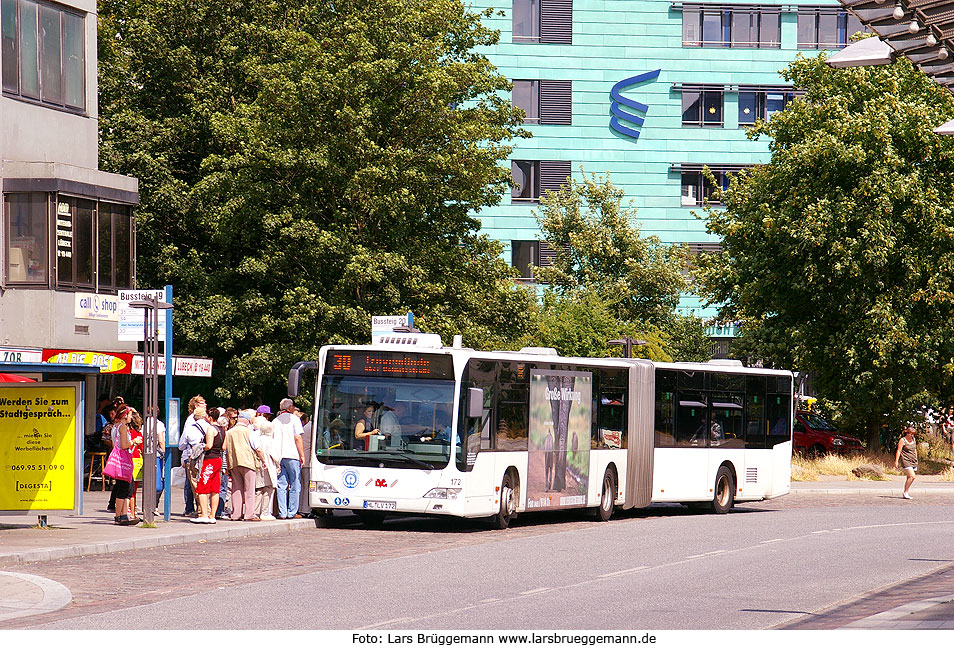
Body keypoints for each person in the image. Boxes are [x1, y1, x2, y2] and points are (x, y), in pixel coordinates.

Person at [273, 398, 305, 519]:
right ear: (290, 407)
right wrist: (302, 455)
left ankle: (282, 512)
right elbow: (298, 438)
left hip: (279, 456)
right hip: (292, 455)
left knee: (281, 485)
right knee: (295, 484)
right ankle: (292, 511)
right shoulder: (294, 419)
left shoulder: (275, 421)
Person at [193, 407, 225, 523]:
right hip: (218, 459)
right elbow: (223, 447)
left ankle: (204, 515)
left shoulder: (210, 429)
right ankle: (213, 515)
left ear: (210, 417)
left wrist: (201, 447)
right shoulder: (222, 429)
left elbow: (209, 445)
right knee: (215, 488)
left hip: (209, 460)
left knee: (203, 486)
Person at [225, 410, 259, 521]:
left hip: (234, 463)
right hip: (248, 462)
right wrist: (263, 460)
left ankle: (236, 514)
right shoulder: (249, 432)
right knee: (249, 489)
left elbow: (225, 449)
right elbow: (257, 447)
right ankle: (249, 514)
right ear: (247, 421)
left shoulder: (229, 432)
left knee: (236, 489)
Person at [108, 405, 138, 525]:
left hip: (119, 460)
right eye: (130, 414)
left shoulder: (115, 427)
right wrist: (134, 442)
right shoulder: (123, 427)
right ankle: (120, 516)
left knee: (125, 487)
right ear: (125, 415)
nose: (131, 417)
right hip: (123, 460)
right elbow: (124, 445)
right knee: (124, 488)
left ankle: (124, 515)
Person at [177, 395, 207, 516]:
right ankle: (191, 507)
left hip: (192, 454)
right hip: (192, 455)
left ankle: (194, 507)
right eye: (202, 403)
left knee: (192, 482)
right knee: (191, 483)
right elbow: (185, 439)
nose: (205, 404)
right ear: (196, 405)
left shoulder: (197, 421)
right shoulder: (191, 421)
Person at [252, 414, 280, 520]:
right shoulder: (271, 441)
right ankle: (265, 512)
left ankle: (254, 511)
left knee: (258, 489)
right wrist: (278, 465)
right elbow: (276, 456)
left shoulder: (258, 439)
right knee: (268, 488)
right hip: (269, 466)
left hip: (258, 466)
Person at [895, 425, 918, 500]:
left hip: (913, 459)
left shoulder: (914, 439)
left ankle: (906, 492)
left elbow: (915, 449)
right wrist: (896, 461)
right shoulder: (903, 440)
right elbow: (899, 451)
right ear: (907, 433)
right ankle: (905, 492)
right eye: (910, 434)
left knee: (909, 477)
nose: (912, 435)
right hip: (906, 460)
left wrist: (916, 458)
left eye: (913, 434)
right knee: (912, 476)